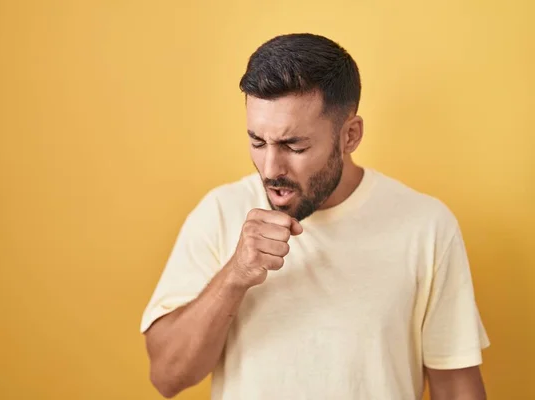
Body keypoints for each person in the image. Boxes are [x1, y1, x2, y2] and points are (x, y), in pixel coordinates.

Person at [140, 33, 490, 400]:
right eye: (258, 142)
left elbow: (456, 386)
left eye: (294, 145)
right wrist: (234, 276)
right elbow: (167, 377)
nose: (271, 168)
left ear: (350, 135)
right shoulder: (219, 212)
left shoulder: (427, 226)